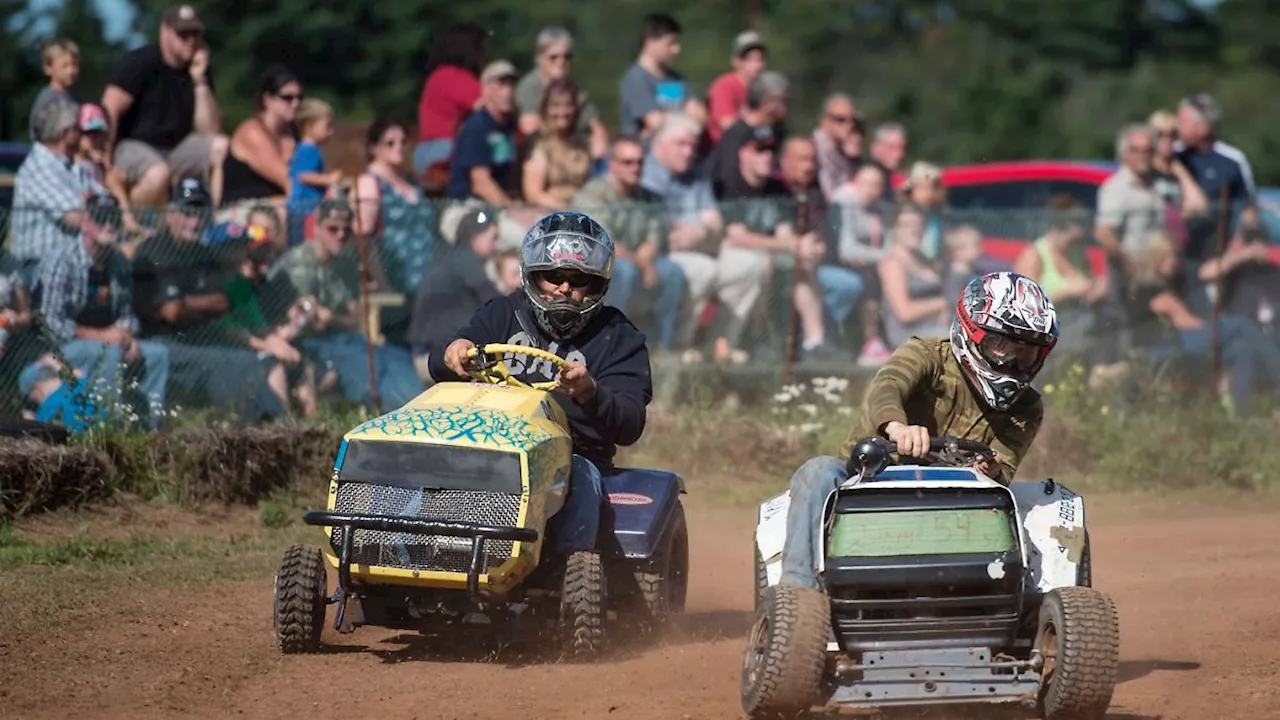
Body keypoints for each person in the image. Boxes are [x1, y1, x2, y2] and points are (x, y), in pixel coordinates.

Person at [777, 272, 1058, 590]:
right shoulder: (926, 355)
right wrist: (898, 428)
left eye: (1026, 352)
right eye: (1001, 344)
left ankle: (1013, 601)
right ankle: (797, 594)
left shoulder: (1027, 407)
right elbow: (888, 385)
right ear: (972, 332)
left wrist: (990, 470)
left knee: (1048, 502)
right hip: (867, 483)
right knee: (817, 472)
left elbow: (1003, 468)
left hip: (956, 506)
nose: (1012, 361)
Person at [429, 212, 652, 561]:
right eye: (554, 277)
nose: (564, 288)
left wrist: (590, 393)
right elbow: (443, 362)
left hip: (571, 455)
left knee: (580, 478)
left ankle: (570, 572)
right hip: (491, 442)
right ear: (533, 276)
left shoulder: (618, 337)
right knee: (433, 462)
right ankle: (403, 550)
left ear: (598, 284)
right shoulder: (503, 313)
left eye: (579, 279)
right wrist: (454, 351)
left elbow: (630, 423)